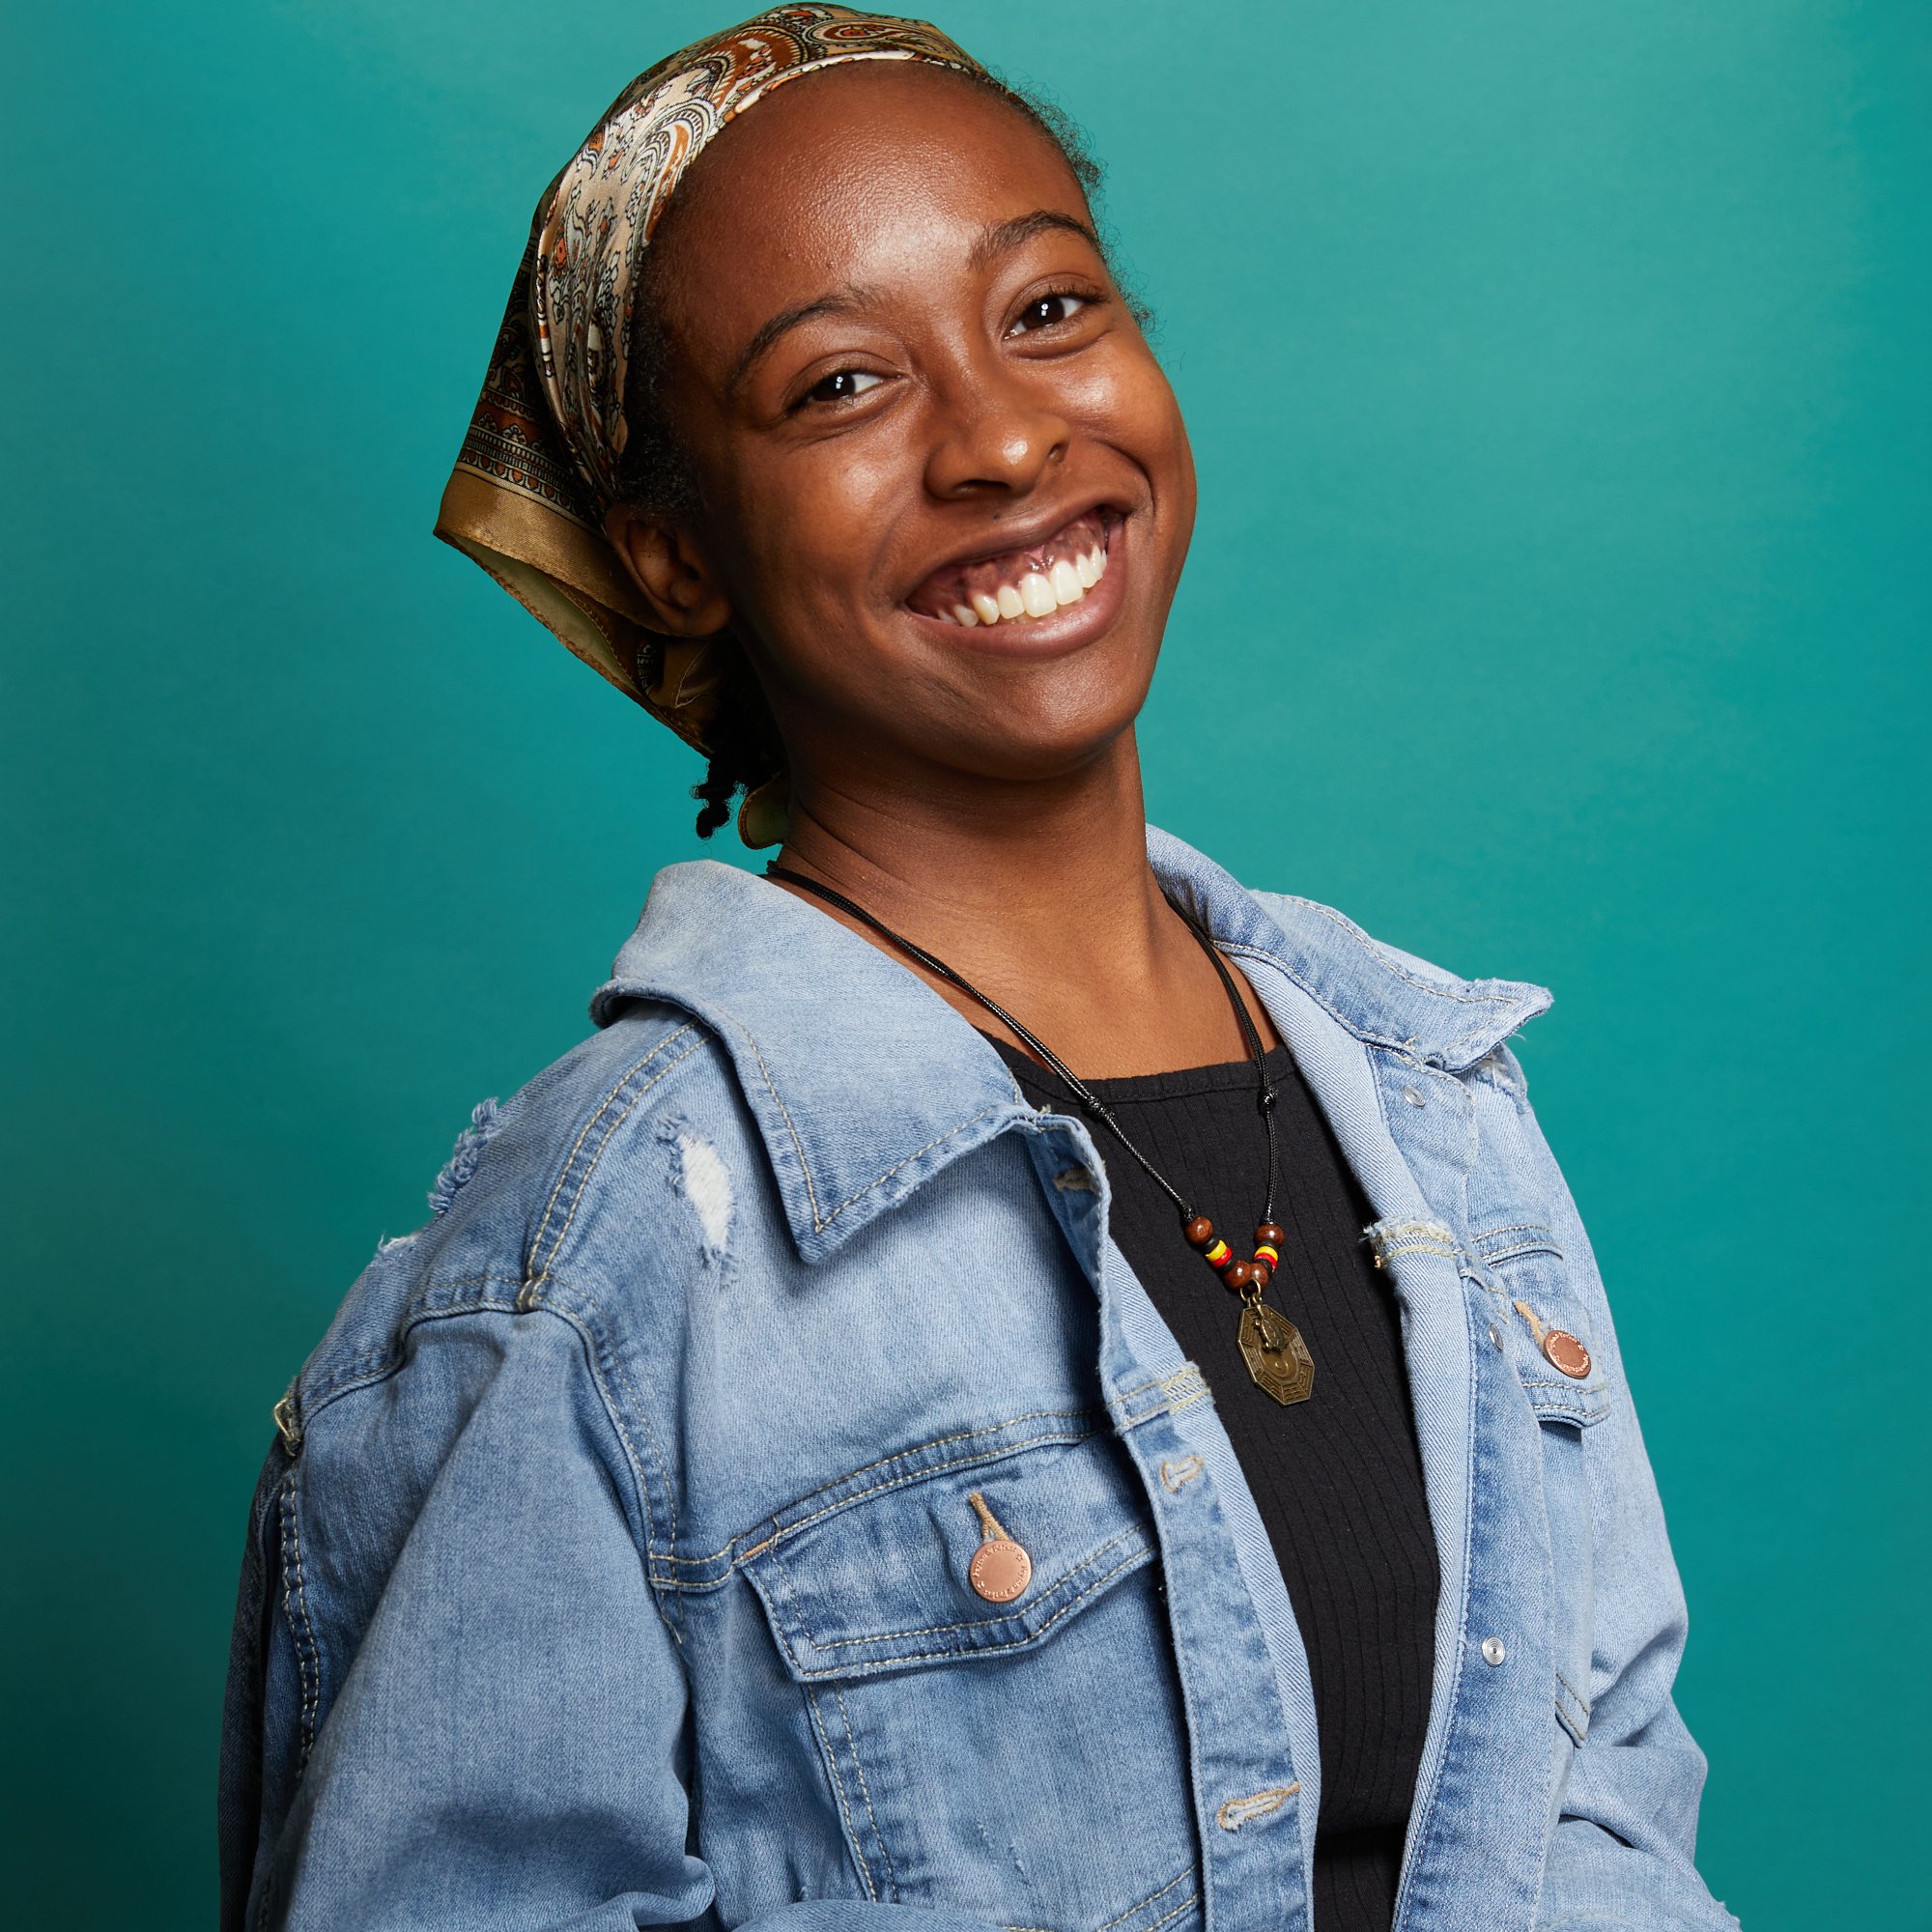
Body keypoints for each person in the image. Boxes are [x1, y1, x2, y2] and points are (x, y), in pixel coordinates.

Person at [218, 9, 1740, 1930]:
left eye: (1044, 311)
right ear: (673, 554)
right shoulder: (590, 1274)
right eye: (843, 383)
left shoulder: (1437, 1107)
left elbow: (1603, 1819)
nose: (1007, 436)